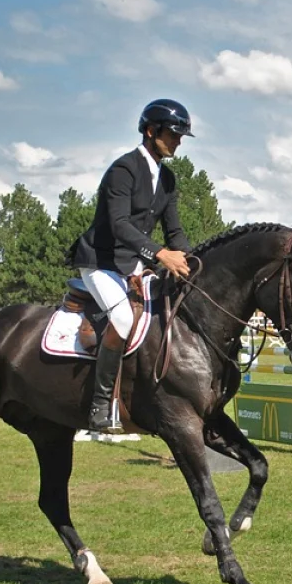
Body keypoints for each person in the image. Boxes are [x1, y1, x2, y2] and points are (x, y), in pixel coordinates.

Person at [69, 98, 195, 432]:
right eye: (172, 134)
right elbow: (119, 224)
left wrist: (194, 263)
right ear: (151, 131)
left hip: (134, 263)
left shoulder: (166, 179)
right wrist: (159, 254)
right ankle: (99, 405)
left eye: (181, 135)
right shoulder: (123, 170)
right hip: (101, 261)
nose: (178, 141)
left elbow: (175, 231)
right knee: (123, 317)